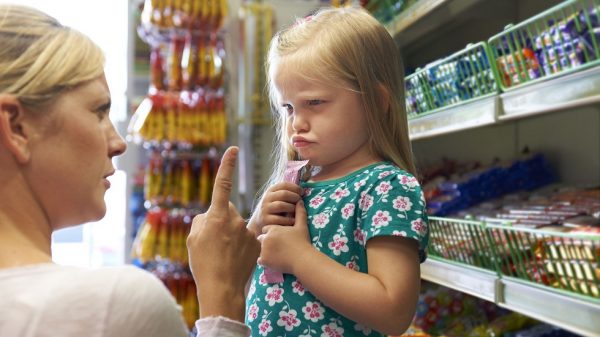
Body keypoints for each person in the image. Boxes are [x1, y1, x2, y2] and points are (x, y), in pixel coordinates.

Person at [0, 4, 257, 337]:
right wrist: (224, 296)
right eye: (98, 111)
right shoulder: (110, 306)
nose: (119, 143)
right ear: (16, 128)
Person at [246, 6, 429, 337]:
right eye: (287, 107)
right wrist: (256, 224)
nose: (296, 123)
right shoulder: (299, 183)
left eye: (315, 103)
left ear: (376, 101)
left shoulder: (387, 187)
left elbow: (394, 310)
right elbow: (242, 272)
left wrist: (299, 258)